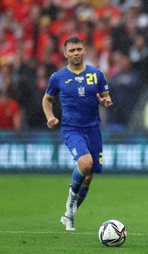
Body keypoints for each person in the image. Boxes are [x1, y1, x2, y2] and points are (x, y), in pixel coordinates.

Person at [42, 36, 113, 231]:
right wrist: (50, 116)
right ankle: (70, 199)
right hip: (72, 128)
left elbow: (105, 96)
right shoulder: (58, 77)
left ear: (84, 51)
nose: (76, 53)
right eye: (72, 50)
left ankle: (70, 214)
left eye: (79, 49)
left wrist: (106, 101)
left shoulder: (97, 74)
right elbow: (47, 100)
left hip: (93, 129)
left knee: (89, 176)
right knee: (85, 163)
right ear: (65, 53)